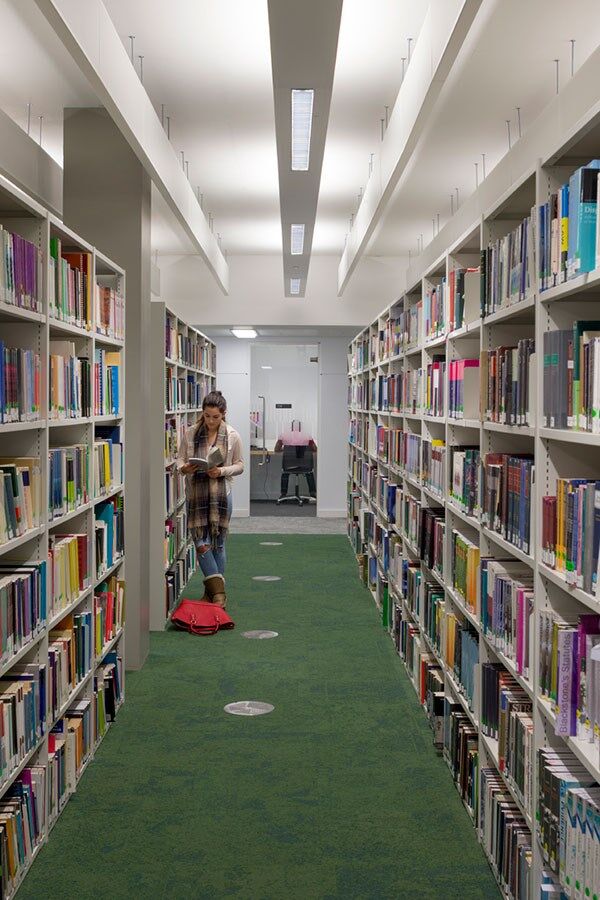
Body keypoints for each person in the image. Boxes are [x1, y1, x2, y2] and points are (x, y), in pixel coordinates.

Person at [178, 391, 244, 608]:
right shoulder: (190, 433)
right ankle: (219, 595)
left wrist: (222, 470)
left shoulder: (233, 435)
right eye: (207, 416)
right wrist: (185, 468)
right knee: (200, 541)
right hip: (196, 495)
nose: (211, 421)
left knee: (218, 543)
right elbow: (179, 460)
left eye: (215, 417)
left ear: (223, 414)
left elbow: (240, 465)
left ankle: (212, 595)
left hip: (221, 495)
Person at [274, 424, 317, 501]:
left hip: (289, 466)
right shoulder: (307, 436)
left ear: (291, 427)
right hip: (305, 466)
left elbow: (276, 449)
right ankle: (313, 494)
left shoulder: (283, 435)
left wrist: (286, 450)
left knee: (285, 472)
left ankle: (283, 494)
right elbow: (314, 449)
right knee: (309, 472)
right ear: (301, 427)